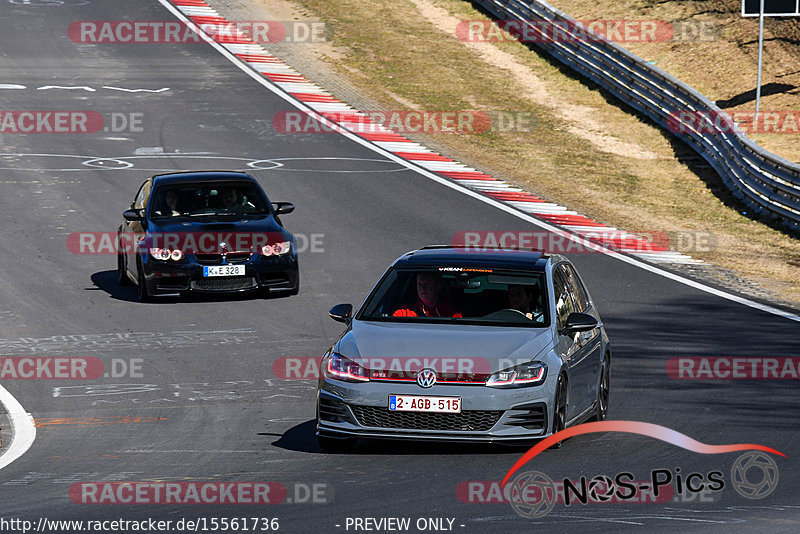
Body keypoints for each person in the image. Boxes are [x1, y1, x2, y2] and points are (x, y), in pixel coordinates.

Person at [393, 272, 462, 318]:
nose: (423, 288)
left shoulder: (451, 313)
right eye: (420, 284)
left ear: (438, 287)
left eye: (427, 284)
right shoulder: (404, 312)